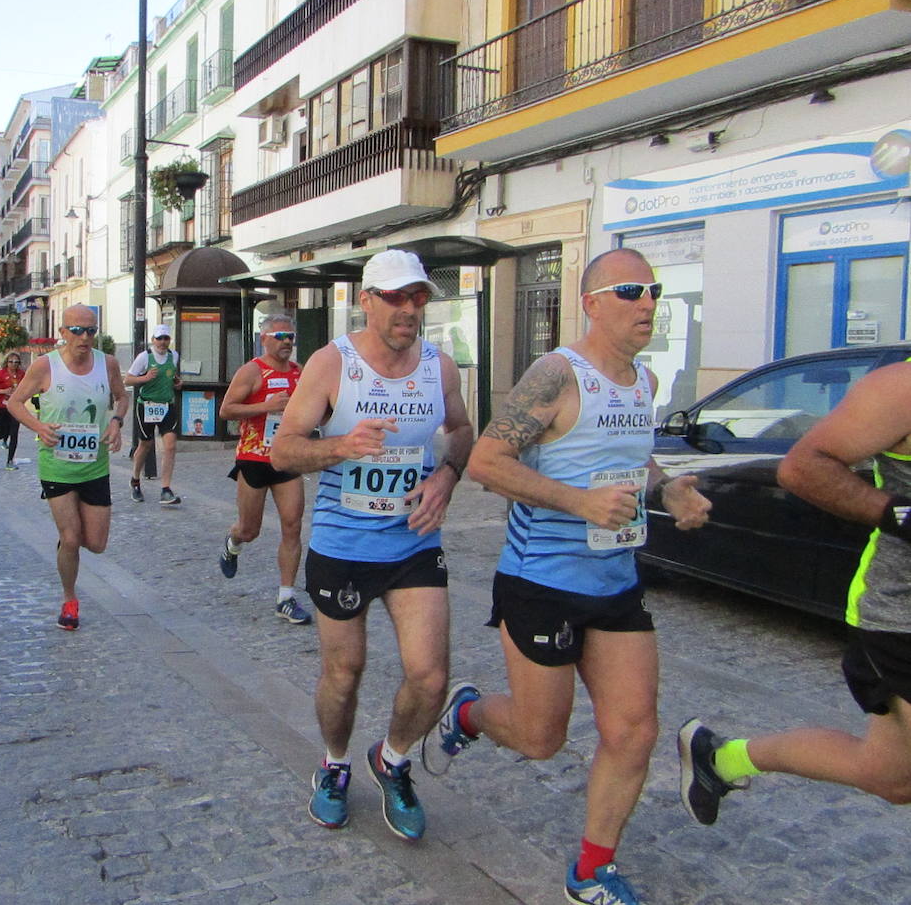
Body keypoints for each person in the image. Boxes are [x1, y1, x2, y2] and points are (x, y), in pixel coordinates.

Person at [442, 248, 711, 905]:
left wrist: (669, 489)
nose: (646, 301)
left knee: (634, 729)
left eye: (652, 289)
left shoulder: (643, 382)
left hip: (614, 581)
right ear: (591, 303)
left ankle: (591, 869)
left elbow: (632, 459)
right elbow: (486, 461)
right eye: (629, 290)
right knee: (541, 737)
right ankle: (469, 712)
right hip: (541, 580)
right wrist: (579, 502)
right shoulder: (557, 375)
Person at [270, 249, 473, 843]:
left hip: (412, 541)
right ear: (367, 300)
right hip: (344, 543)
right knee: (345, 672)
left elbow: (461, 430)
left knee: (431, 677)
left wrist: (446, 476)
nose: (408, 309)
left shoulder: (441, 367)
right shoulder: (334, 364)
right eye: (395, 297)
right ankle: (334, 764)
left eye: (418, 297)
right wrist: (340, 447)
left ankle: (393, 759)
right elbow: (284, 450)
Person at [678, 358, 911, 828]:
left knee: (892, 777)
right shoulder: (900, 388)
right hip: (902, 614)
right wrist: (899, 514)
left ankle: (720, 759)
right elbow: (803, 466)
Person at [6, 305, 127, 631]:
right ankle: (69, 599)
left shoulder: (108, 364)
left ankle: (67, 545)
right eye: (77, 330)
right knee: (72, 537)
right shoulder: (45, 366)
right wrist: (38, 426)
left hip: (95, 465)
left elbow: (122, 397)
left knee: (97, 544)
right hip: (56, 464)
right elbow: (14, 403)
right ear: (63, 332)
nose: (84, 337)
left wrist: (116, 421)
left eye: (90, 330)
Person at [218, 312, 311, 625]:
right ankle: (233, 543)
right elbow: (226, 410)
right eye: (280, 337)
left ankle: (286, 596)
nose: (287, 343)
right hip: (254, 458)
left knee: (293, 525)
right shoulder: (252, 371)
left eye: (290, 337)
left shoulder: (300, 372)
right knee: (250, 529)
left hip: (287, 458)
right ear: (264, 338)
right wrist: (266, 406)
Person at [126, 323, 184, 505]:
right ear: (153, 340)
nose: (162, 342)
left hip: (167, 405)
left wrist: (176, 383)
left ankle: (166, 489)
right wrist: (144, 378)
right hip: (147, 406)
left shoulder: (174, 356)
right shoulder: (144, 357)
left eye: (166, 338)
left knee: (170, 446)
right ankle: (135, 480)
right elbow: (128, 379)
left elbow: (172, 376)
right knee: (145, 444)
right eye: (159, 338)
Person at [0, 352, 25, 470]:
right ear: (6, 362)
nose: (14, 364)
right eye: (11, 362)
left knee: (14, 434)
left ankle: (10, 461)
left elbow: (27, 387)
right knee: (2, 433)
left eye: (16, 362)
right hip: (1, 407)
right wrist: (4, 391)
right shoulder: (1, 373)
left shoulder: (21, 374)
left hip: (15, 407)